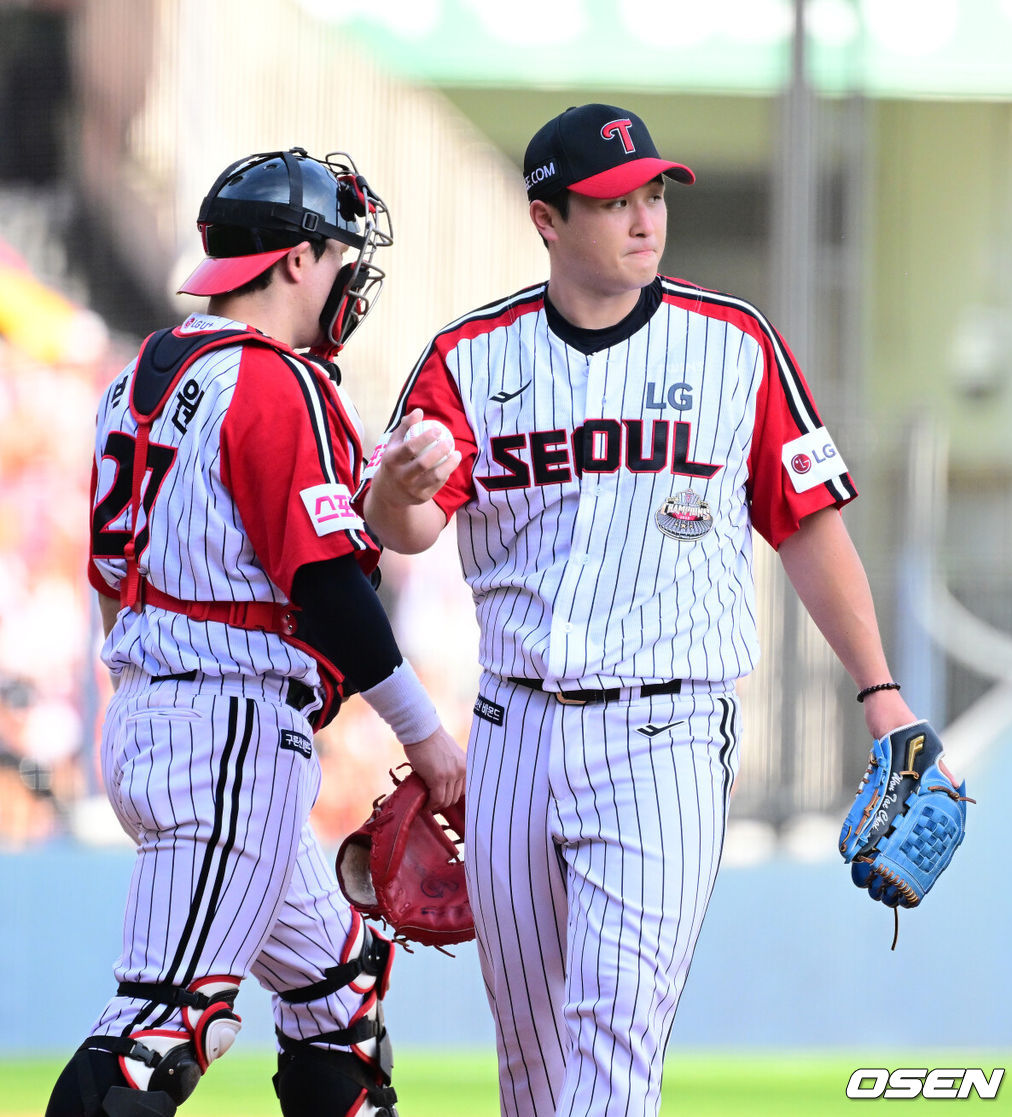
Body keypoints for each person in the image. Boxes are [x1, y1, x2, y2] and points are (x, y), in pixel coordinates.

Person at [358, 105, 920, 1117]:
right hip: (514, 730)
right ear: (546, 217)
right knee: (529, 1057)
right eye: (615, 199)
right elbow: (405, 531)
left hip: (663, 730)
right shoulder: (470, 357)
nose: (644, 216)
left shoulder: (734, 346)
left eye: (653, 192)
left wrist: (879, 691)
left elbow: (807, 526)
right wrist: (394, 487)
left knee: (614, 1029)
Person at [47, 147, 465, 1117]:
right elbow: (321, 580)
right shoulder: (276, 382)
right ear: (293, 261)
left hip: (164, 710)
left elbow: (111, 580)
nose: (348, 281)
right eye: (339, 257)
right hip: (230, 730)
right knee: (161, 1027)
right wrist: (426, 736)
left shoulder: (141, 377)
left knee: (340, 986)